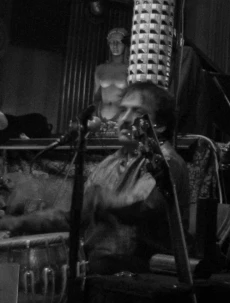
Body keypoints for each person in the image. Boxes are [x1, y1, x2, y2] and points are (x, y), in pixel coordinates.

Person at [0, 81, 190, 275]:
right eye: (123, 110)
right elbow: (71, 217)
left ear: (159, 126)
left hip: (143, 278)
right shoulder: (110, 162)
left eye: (137, 112)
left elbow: (138, 205)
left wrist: (81, 195)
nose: (124, 119)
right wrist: (15, 222)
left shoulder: (166, 162)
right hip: (98, 270)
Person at [93, 27, 129, 128]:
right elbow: (96, 98)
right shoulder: (100, 69)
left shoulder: (130, 69)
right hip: (101, 117)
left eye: (118, 42)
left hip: (122, 117)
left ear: (125, 44)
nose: (115, 45)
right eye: (112, 42)